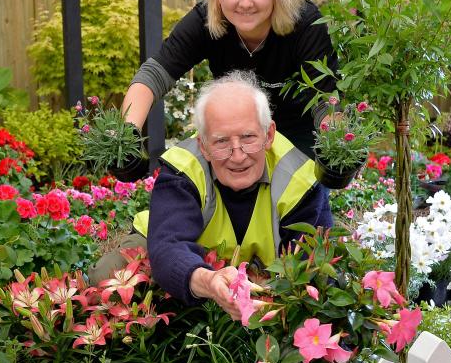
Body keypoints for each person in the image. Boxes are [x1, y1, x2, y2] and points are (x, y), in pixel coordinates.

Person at [132, 72, 332, 320]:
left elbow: (315, 270)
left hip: (263, 278)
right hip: (174, 255)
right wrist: (208, 280)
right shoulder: (182, 169)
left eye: (248, 137)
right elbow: (167, 247)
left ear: (268, 135)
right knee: (106, 277)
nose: (237, 156)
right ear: (203, 145)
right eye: (221, 141)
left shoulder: (302, 181)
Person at [122, 0, 338, 158]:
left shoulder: (305, 23)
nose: (245, 2)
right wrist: (126, 136)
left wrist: (338, 145)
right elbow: (155, 74)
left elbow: (325, 99)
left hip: (297, 141)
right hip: (231, 139)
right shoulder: (204, 20)